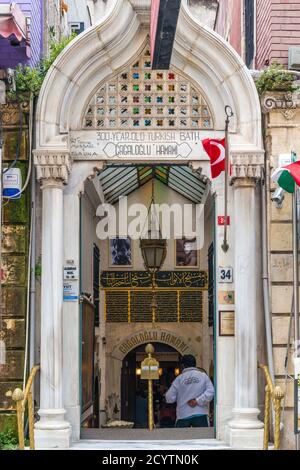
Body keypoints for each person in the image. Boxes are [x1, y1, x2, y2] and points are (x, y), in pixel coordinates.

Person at [165, 355, 214, 428]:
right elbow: (211, 392)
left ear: (183, 365)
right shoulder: (203, 376)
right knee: (202, 438)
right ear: (195, 364)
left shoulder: (179, 379)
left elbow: (169, 398)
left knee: (182, 439)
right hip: (200, 415)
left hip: (183, 416)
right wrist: (197, 401)